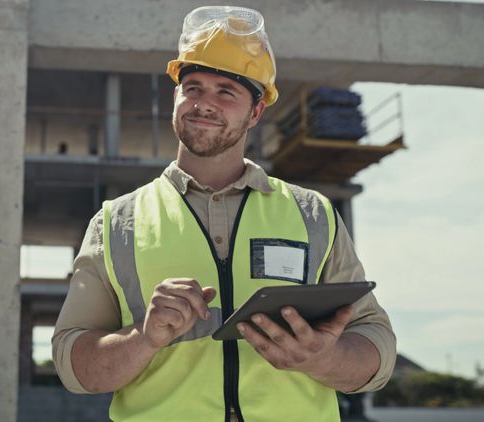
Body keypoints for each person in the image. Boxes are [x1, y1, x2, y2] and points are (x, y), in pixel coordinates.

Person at [52, 5, 396, 422]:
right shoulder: (116, 223)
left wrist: (322, 359)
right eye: (192, 87)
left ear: (255, 112)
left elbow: (376, 344)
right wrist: (144, 338)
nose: (203, 104)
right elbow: (74, 365)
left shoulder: (312, 214)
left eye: (225, 92)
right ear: (175, 96)